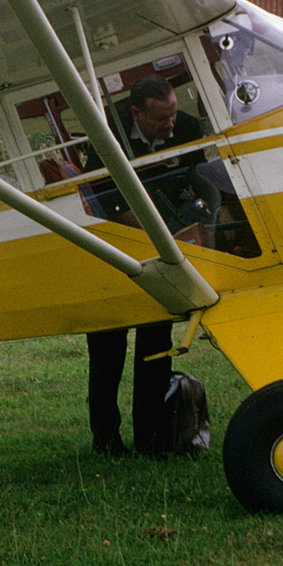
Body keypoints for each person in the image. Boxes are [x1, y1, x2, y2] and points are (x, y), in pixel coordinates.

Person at [85, 75, 204, 457]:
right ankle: (106, 441)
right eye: (160, 119)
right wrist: (142, 228)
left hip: (166, 249)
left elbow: (198, 182)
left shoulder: (187, 128)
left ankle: (152, 437)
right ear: (135, 113)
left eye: (172, 115)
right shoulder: (104, 130)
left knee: (155, 347)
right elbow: (99, 198)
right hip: (117, 250)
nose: (170, 125)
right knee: (107, 353)